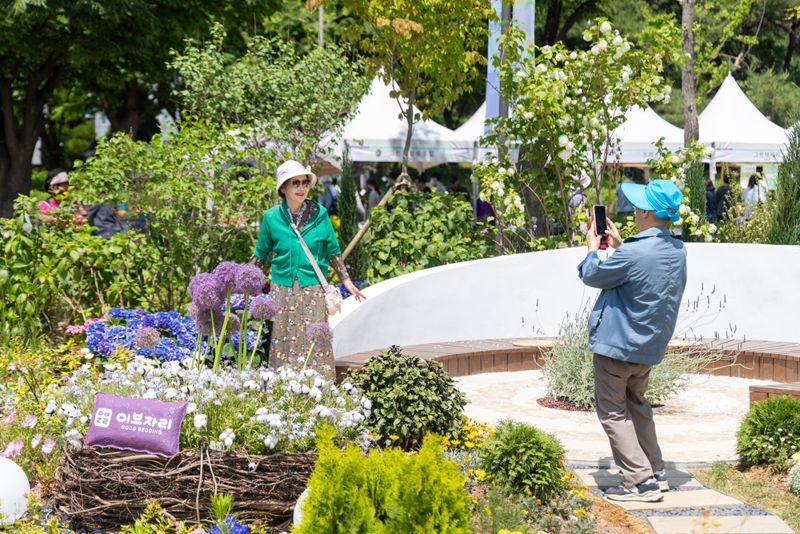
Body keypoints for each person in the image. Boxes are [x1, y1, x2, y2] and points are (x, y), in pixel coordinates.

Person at [577, 179, 687, 503]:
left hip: (617, 346)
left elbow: (592, 275)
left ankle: (639, 483)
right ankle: (657, 471)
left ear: (647, 213)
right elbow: (643, 270)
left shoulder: (636, 253)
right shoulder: (678, 250)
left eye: (639, 207)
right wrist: (622, 244)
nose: (634, 211)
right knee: (637, 405)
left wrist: (591, 248)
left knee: (612, 412)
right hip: (647, 349)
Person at [253, 160, 366, 380]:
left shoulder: (320, 213)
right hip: (282, 287)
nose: (302, 187)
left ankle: (320, 389)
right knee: (282, 338)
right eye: (295, 183)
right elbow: (261, 253)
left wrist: (347, 281)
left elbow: (332, 250)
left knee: (315, 338)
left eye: (305, 182)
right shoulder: (271, 218)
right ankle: (282, 388)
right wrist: (242, 281)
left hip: (312, 286)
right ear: (283, 188)